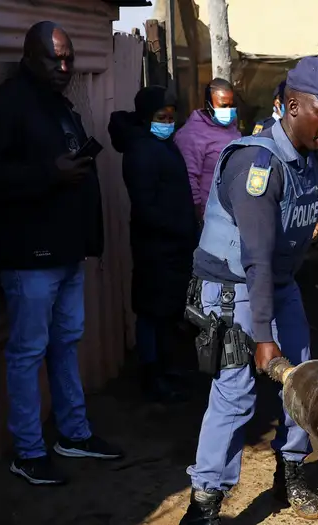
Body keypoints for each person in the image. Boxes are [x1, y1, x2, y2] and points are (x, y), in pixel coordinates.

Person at [181, 56, 318, 524]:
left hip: (277, 282)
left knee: (299, 377)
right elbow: (255, 257)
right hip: (232, 287)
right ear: (293, 105)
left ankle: (291, 473)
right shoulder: (257, 166)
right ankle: (204, 504)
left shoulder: (306, 158)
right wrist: (263, 338)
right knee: (236, 393)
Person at [0, 21, 123, 486]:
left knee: (65, 344)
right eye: (54, 59)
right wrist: (47, 173)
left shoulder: (57, 105)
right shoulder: (5, 105)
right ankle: (28, 452)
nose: (64, 67)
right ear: (29, 58)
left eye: (69, 58)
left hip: (66, 250)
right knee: (27, 353)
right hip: (28, 257)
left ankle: (73, 433)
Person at [108, 86, 198, 403]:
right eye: (162, 117)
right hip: (155, 248)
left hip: (172, 246)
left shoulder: (161, 144)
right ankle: (151, 375)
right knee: (151, 313)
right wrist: (176, 229)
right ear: (147, 118)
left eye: (172, 117)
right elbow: (146, 207)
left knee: (166, 312)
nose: (168, 122)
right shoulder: (142, 151)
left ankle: (165, 367)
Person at [175, 78, 243, 221]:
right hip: (210, 216)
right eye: (223, 106)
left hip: (235, 210)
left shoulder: (232, 127)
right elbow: (189, 178)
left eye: (232, 106)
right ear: (208, 105)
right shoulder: (192, 135)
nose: (228, 111)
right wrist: (198, 216)